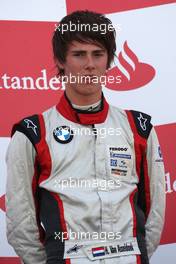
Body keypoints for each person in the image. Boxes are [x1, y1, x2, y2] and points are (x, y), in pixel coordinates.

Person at [6, 10, 166, 264]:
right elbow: (20, 219)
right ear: (60, 61)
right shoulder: (33, 132)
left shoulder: (139, 127)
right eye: (79, 54)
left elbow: (155, 210)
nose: (89, 64)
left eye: (98, 54)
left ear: (109, 60)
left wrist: (136, 255)